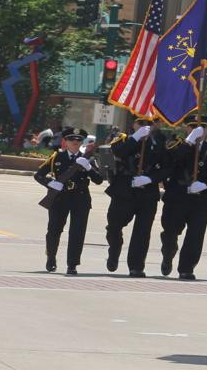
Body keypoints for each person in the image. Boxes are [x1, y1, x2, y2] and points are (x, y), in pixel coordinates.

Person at [157, 115, 207, 280]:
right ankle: (168, 254)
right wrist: (189, 142)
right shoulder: (175, 144)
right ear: (186, 128)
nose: (198, 130)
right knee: (170, 232)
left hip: (200, 199)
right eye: (194, 126)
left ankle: (187, 268)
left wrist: (206, 185)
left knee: (195, 235)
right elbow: (172, 161)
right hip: (177, 196)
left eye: (202, 126)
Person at [33, 129, 104, 275]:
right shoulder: (56, 157)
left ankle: (72, 264)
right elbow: (38, 175)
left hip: (80, 198)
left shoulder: (88, 159)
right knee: (54, 230)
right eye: (72, 140)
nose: (75, 142)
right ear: (66, 141)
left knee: (77, 233)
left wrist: (89, 168)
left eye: (78, 140)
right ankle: (51, 257)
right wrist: (50, 183)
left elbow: (99, 180)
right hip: (60, 198)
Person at [104, 119, 165, 277]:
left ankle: (136, 266)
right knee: (114, 226)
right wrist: (136, 137)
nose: (147, 126)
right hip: (124, 191)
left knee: (142, 231)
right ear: (134, 125)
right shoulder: (123, 138)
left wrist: (151, 178)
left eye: (151, 123)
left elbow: (168, 166)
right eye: (142, 123)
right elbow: (118, 151)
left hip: (148, 192)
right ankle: (115, 248)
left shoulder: (160, 142)